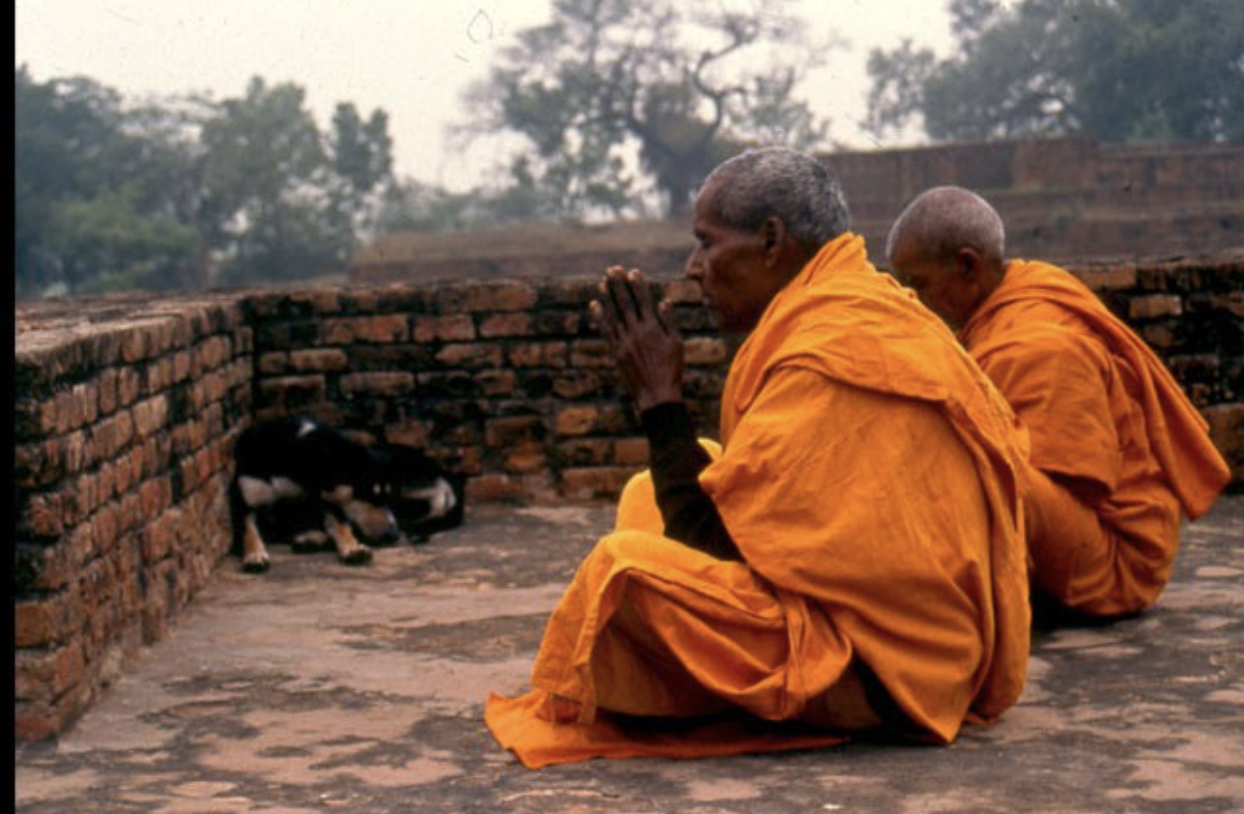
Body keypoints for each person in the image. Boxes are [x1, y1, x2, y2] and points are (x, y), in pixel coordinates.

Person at [485, 149, 1032, 769]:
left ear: (771, 240)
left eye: (706, 244)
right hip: (921, 644)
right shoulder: (853, 309)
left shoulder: (830, 351)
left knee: (621, 572)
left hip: (879, 672)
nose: (693, 269)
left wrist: (658, 401)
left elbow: (721, 547)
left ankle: (728, 694)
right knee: (648, 492)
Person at [886, 186, 1231, 622]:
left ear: (968, 266)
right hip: (1072, 529)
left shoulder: (1040, 343)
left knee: (970, 465)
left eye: (919, 283)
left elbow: (1069, 487)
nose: (912, 300)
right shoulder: (1014, 299)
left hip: (1116, 560)